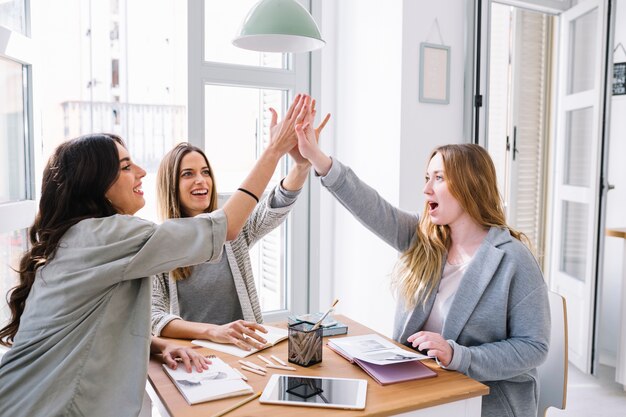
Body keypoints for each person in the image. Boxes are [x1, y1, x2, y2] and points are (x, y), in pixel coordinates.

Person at [0, 95, 306, 417]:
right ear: (97, 185)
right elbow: (226, 226)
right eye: (127, 166)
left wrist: (157, 345)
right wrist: (274, 151)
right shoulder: (112, 236)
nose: (142, 171)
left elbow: (97, 326)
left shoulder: (84, 237)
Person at [295, 121, 550, 417]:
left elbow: (534, 347)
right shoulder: (424, 238)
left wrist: (458, 355)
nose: (426, 188)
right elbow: (371, 206)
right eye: (427, 177)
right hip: (421, 388)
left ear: (470, 186)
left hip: (484, 401)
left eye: (438, 178)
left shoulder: (513, 260)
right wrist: (317, 157)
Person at [151, 98, 329, 350]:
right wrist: (213, 332)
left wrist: (301, 167)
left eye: (205, 172)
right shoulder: (161, 243)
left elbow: (272, 209)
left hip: (245, 349)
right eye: (187, 174)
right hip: (194, 355)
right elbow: (155, 317)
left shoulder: (229, 225)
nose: (201, 181)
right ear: (171, 185)